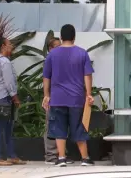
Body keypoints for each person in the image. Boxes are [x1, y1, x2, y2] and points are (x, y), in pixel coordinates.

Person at [42, 24, 95, 167]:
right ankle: (85, 158)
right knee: (78, 126)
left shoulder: (52, 55)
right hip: (76, 98)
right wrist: (88, 94)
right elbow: (87, 76)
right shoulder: (82, 53)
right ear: (74, 37)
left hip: (57, 98)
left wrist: (46, 95)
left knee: (59, 128)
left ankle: (61, 158)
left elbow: (46, 77)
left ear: (61, 37)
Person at [0, 37, 25, 166]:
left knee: (7, 127)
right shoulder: (4, 62)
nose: (12, 46)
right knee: (0, 127)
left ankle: (11, 155)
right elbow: (9, 83)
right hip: (3, 98)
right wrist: (15, 98)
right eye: (9, 44)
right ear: (3, 46)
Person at [43, 37, 74, 165]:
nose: (60, 48)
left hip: (61, 98)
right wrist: (47, 95)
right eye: (56, 46)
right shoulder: (50, 60)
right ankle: (51, 155)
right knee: (51, 125)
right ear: (50, 49)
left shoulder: (59, 59)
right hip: (52, 98)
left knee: (61, 125)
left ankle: (61, 154)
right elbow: (46, 79)